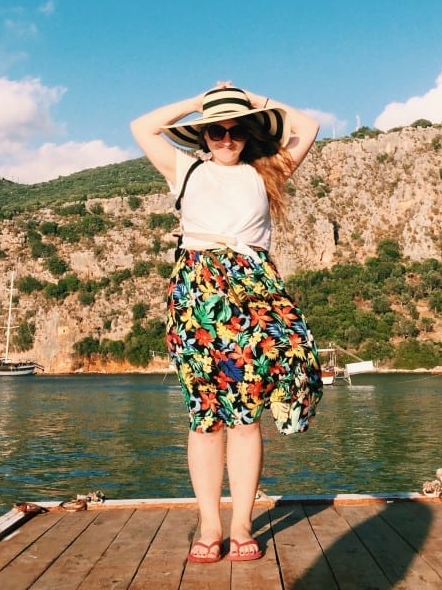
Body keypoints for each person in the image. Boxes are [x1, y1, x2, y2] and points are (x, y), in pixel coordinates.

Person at [131, 83, 323, 564]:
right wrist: (200, 101)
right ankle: (211, 527)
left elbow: (309, 127)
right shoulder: (186, 168)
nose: (226, 136)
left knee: (249, 409)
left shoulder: (267, 170)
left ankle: (242, 524)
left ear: (249, 133)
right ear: (203, 134)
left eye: (236, 130)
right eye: (216, 129)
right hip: (197, 290)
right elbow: (141, 127)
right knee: (206, 413)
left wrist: (251, 100)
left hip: (255, 287)